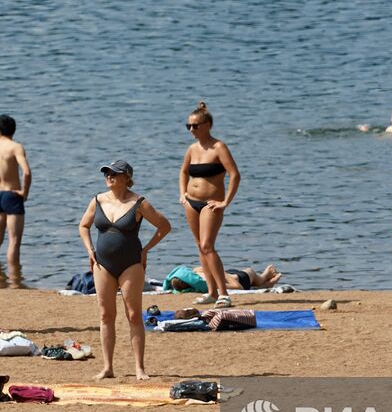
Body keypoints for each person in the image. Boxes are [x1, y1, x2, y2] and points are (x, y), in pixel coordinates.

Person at [78, 160, 171, 380]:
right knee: (105, 314)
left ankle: (139, 368)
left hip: (131, 263)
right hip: (102, 264)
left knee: (133, 314)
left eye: (114, 174)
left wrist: (146, 249)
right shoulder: (97, 200)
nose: (109, 176)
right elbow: (83, 226)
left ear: (126, 178)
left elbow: (164, 226)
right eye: (107, 173)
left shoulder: (139, 203)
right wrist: (90, 249)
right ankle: (108, 367)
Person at [179, 102, 241, 307]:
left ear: (207, 125)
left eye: (195, 126)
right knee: (199, 246)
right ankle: (212, 292)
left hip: (210, 204)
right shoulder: (191, 149)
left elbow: (234, 175)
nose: (191, 130)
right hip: (191, 202)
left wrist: (225, 202)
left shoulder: (219, 147)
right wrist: (182, 194)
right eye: (188, 126)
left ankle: (224, 294)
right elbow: (183, 172)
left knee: (207, 246)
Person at [0, 115, 32, 268]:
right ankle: (14, 277)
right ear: (14, 130)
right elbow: (26, 172)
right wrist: (25, 192)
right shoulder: (15, 147)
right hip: (12, 195)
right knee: (14, 240)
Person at [163, 263, 283, 292]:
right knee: (252, 273)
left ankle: (265, 284)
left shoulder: (197, 273)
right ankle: (263, 279)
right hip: (241, 279)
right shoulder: (207, 284)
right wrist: (218, 271)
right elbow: (238, 287)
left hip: (229, 274)